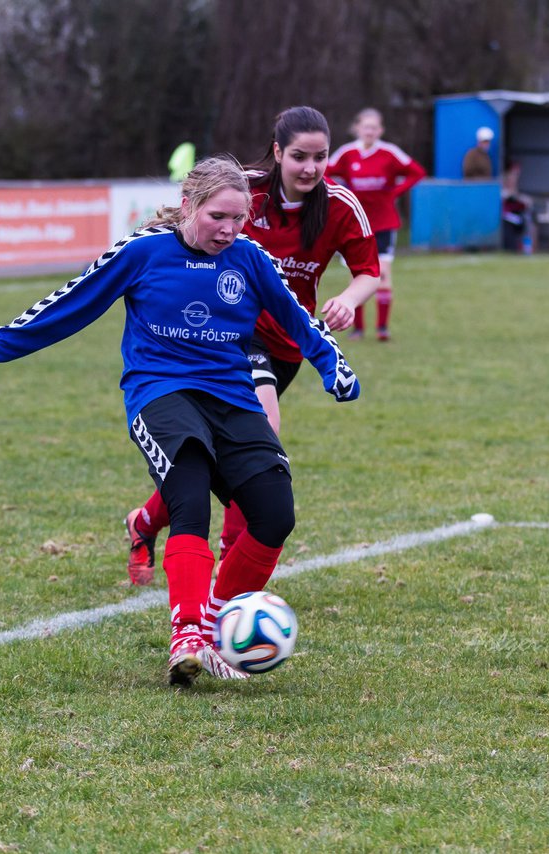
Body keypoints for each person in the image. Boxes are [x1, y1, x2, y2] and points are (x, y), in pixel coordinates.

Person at [0, 156, 360, 686]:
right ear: (189, 206)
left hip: (230, 396)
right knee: (188, 494)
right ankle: (186, 633)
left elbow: (296, 321)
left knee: (274, 512)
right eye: (218, 216)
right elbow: (69, 306)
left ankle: (215, 626)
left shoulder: (250, 259)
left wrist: (334, 367)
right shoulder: (142, 251)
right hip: (159, 391)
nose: (230, 230)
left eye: (238, 219)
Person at [123, 107, 379, 637]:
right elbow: (187, 225)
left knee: (221, 455)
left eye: (321, 157)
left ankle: (146, 520)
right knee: (265, 436)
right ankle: (223, 581)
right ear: (278, 152)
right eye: (301, 156)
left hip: (288, 340)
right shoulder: (247, 193)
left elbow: (368, 273)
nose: (311, 168)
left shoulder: (340, 206)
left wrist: (349, 302)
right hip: (235, 339)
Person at [327, 107, 426, 340]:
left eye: (374, 127)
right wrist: (340, 194)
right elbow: (324, 174)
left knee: (382, 274)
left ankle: (382, 328)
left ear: (380, 130)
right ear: (357, 128)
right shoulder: (347, 153)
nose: (369, 131)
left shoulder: (390, 153)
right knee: (356, 276)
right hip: (355, 224)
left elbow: (417, 172)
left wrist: (394, 192)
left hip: (383, 222)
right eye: (365, 126)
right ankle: (358, 329)